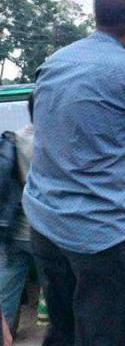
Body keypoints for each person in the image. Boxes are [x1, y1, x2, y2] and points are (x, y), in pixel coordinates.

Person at [22, 0, 125, 346]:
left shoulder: (53, 63)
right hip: (100, 233)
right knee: (103, 335)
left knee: (62, 328)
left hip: (44, 223)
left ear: (96, 18)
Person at [0, 94, 35, 333]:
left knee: (6, 298)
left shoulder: (16, 137)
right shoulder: (52, 142)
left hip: (12, 232)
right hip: (44, 234)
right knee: (60, 298)